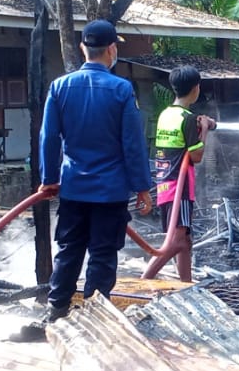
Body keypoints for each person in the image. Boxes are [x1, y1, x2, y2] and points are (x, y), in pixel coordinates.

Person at [38, 19, 153, 321]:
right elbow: (133, 144)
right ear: (112, 49)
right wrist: (142, 187)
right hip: (110, 191)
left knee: (69, 250)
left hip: (73, 187)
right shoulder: (121, 89)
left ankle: (55, 311)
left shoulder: (60, 87)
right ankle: (94, 317)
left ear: (82, 48)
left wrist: (49, 179)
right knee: (102, 254)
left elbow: (48, 138)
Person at [152, 65, 216, 281]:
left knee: (185, 240)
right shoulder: (188, 118)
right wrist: (204, 129)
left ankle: (186, 285)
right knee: (177, 241)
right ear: (196, 88)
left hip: (164, 183)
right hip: (181, 188)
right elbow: (196, 156)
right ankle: (145, 279)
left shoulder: (166, 115)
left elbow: (177, 146)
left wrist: (198, 127)